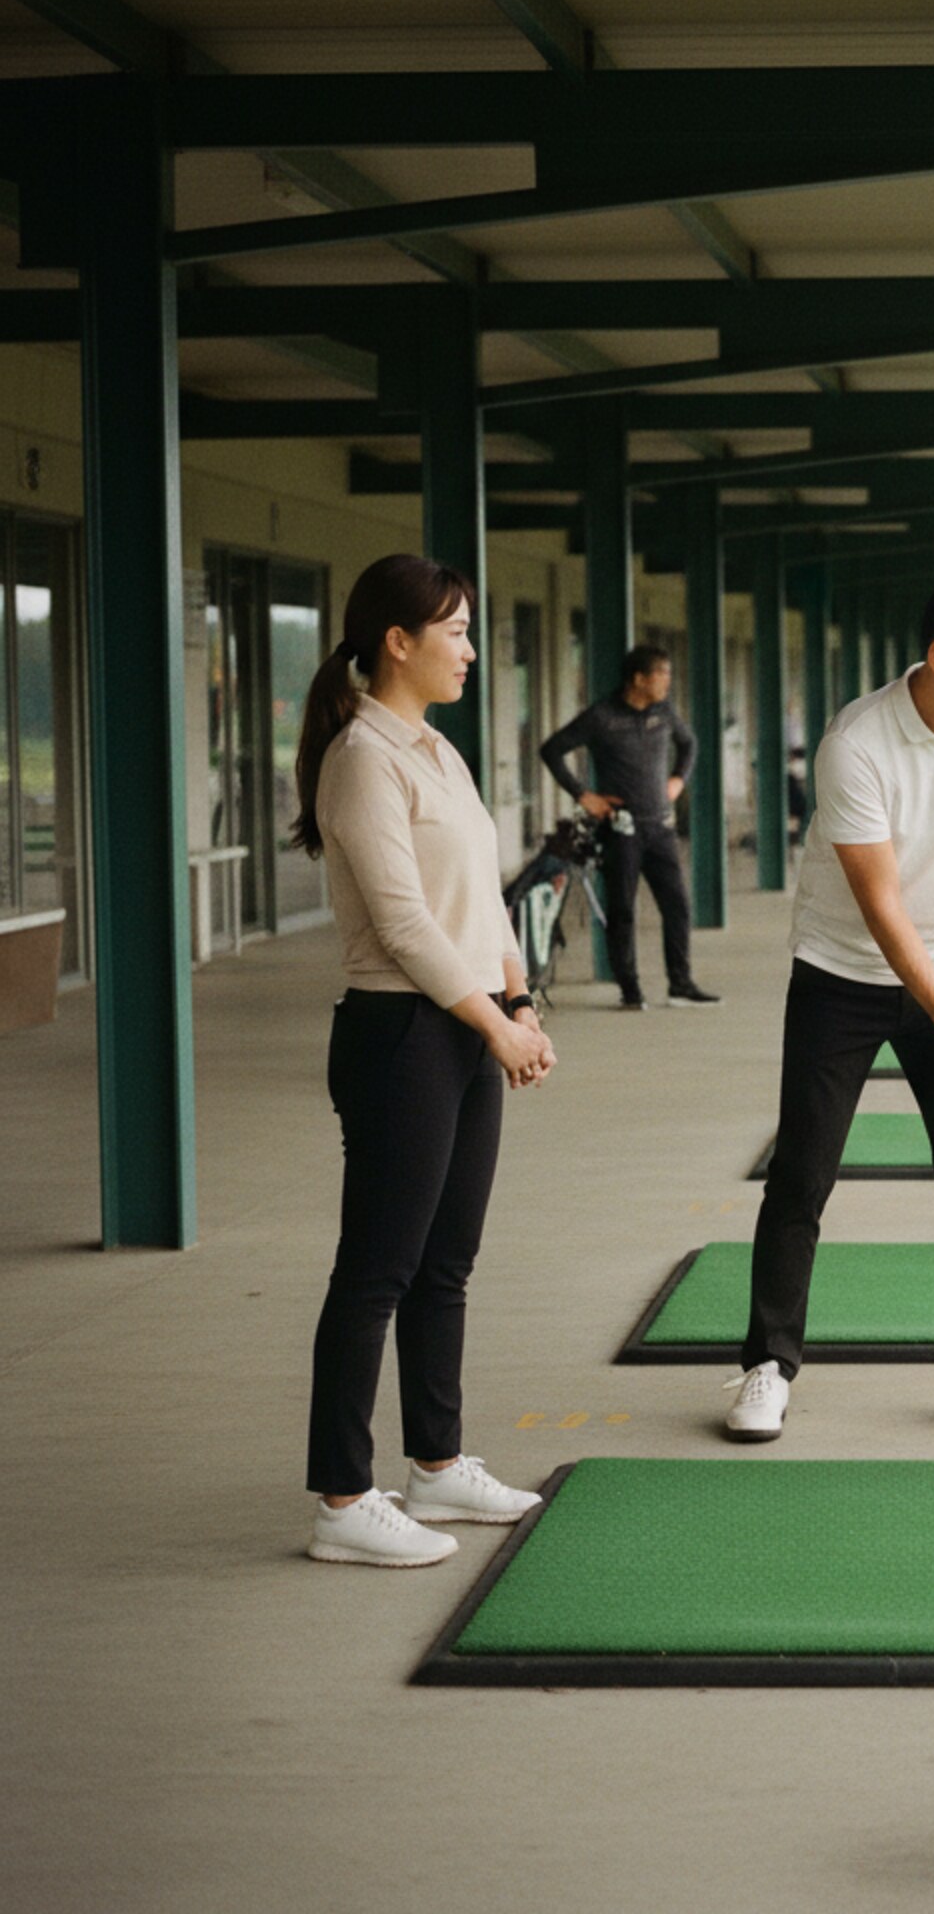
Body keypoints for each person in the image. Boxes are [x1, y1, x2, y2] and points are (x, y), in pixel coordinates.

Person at [725, 570, 934, 1444]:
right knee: (802, 1174)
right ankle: (768, 1366)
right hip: (840, 975)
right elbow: (883, 907)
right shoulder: (855, 744)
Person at [290, 554, 558, 1569]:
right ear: (397, 642)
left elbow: (483, 899)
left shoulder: (436, 749)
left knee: (446, 1264)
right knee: (377, 1270)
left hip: (466, 1024)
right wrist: (495, 1027)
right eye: (455, 631)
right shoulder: (362, 756)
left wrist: (517, 1001)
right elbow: (404, 924)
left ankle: (436, 1463)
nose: (471, 650)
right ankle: (341, 1498)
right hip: (400, 1034)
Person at [541, 644, 718, 1010]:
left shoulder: (664, 712)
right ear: (638, 679)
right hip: (621, 829)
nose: (668, 681)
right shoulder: (602, 716)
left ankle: (681, 984)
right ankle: (630, 990)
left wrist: (678, 779)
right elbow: (552, 749)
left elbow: (689, 744)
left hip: (660, 827)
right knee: (622, 909)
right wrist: (583, 795)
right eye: (661, 674)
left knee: (677, 905)